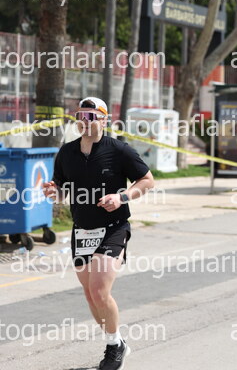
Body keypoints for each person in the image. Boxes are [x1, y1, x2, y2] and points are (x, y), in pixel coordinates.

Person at [43, 97, 154, 370]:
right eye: (80, 116)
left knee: (99, 290)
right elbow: (61, 191)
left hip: (113, 227)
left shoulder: (119, 150)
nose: (85, 121)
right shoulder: (67, 152)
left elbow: (147, 181)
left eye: (91, 116)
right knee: (90, 295)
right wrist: (53, 192)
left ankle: (114, 346)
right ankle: (117, 342)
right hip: (82, 229)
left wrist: (122, 197)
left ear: (104, 120)